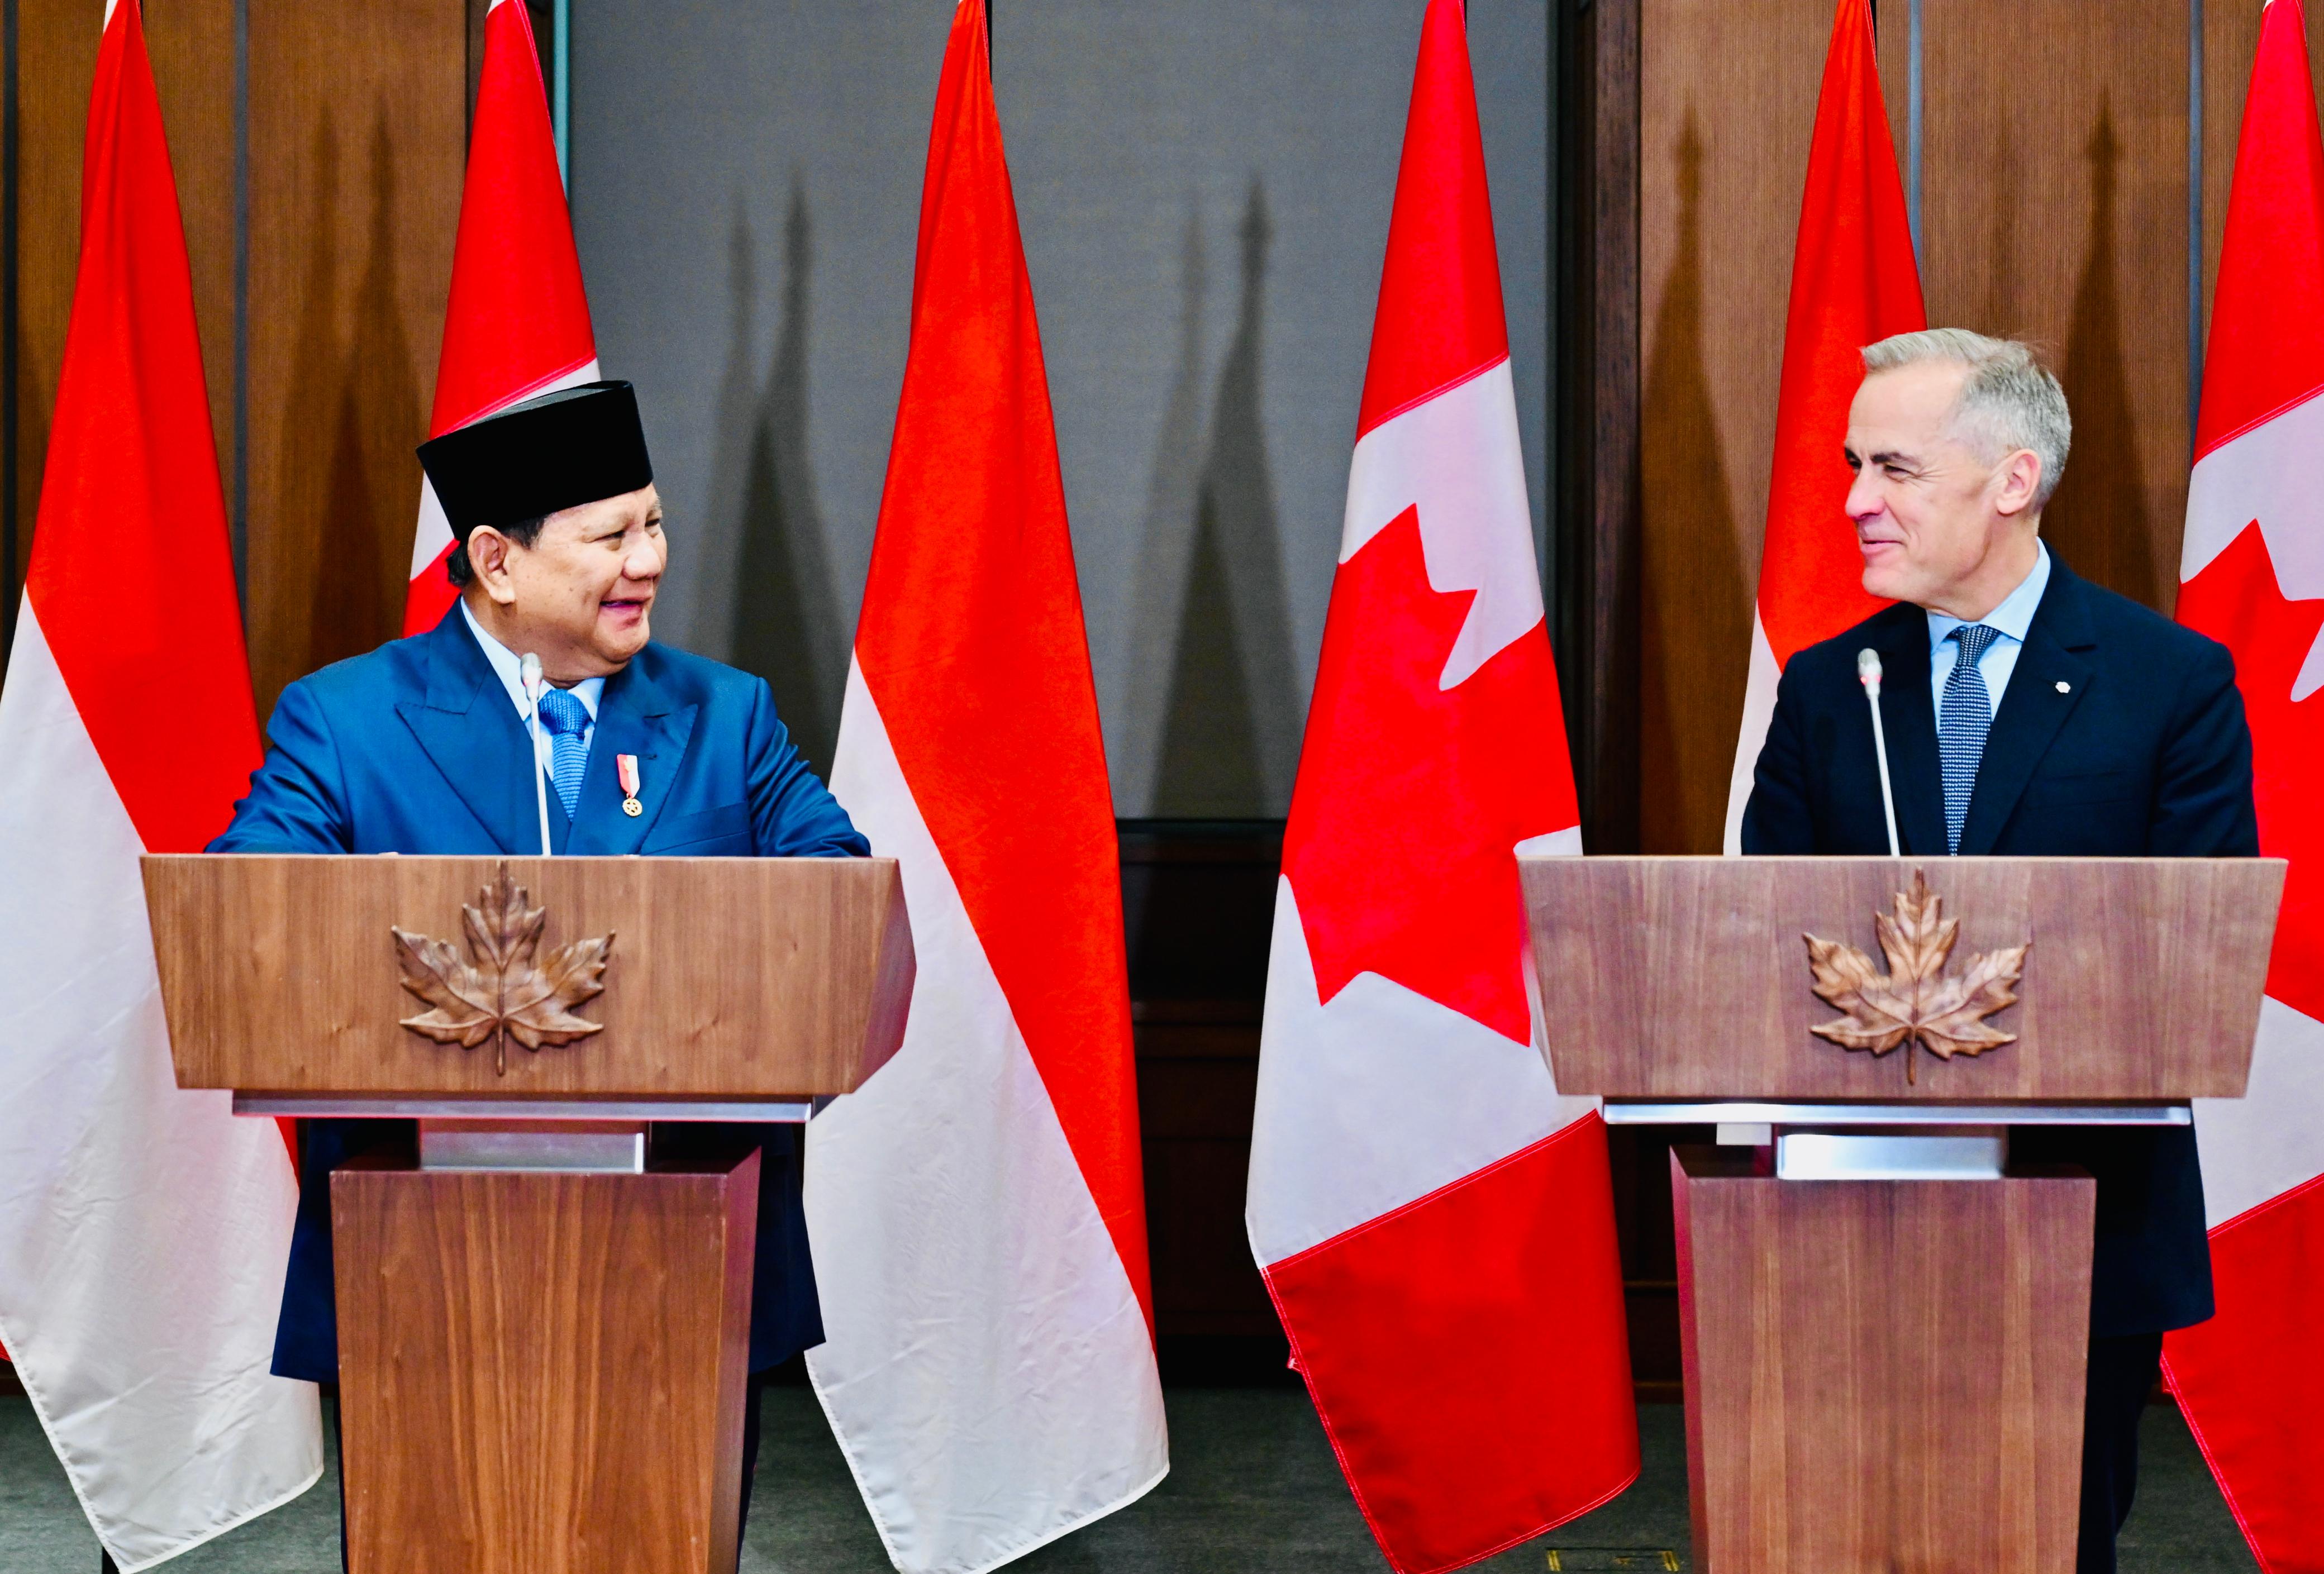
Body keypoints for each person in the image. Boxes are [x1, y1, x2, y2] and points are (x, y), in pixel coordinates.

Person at [210, 380, 865, 1558]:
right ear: (496, 562)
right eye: (610, 536)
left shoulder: (728, 714)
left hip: (685, 1243)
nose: (647, 561)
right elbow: (254, 908)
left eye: (654, 524)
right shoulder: (346, 719)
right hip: (417, 1253)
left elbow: (833, 893)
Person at [1741, 329, 2257, 1574]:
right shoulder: (1831, 687)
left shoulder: (2169, 682)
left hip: (2080, 1221)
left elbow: (2189, 957)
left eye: (1896, 469)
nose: (1855, 501)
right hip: (1846, 1214)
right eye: (1855, 465)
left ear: (2012, 480)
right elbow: (1755, 939)